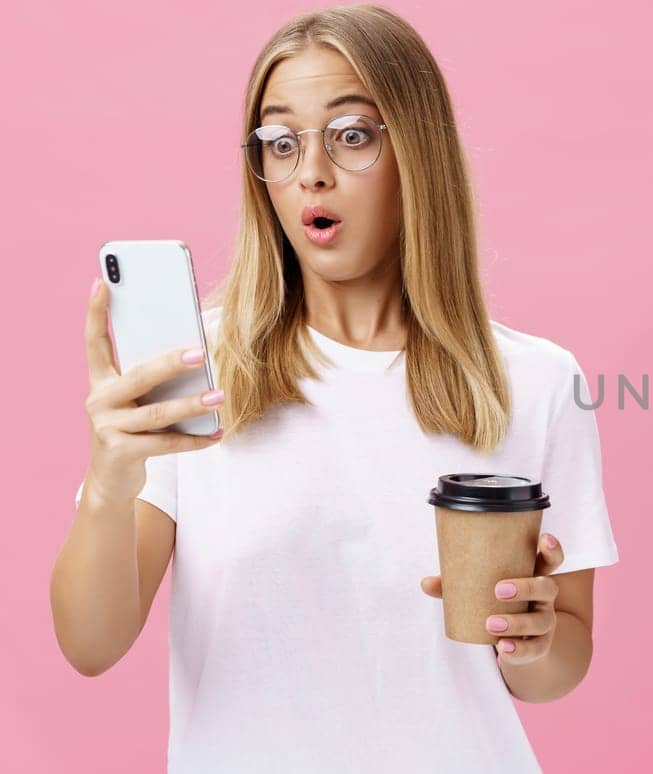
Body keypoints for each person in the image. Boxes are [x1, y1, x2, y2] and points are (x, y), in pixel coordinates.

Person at [48, 5, 619, 772]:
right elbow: (90, 646)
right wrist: (107, 484)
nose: (309, 171)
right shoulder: (201, 370)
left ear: (416, 150)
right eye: (281, 143)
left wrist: (530, 637)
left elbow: (559, 666)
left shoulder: (536, 380)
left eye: (350, 135)